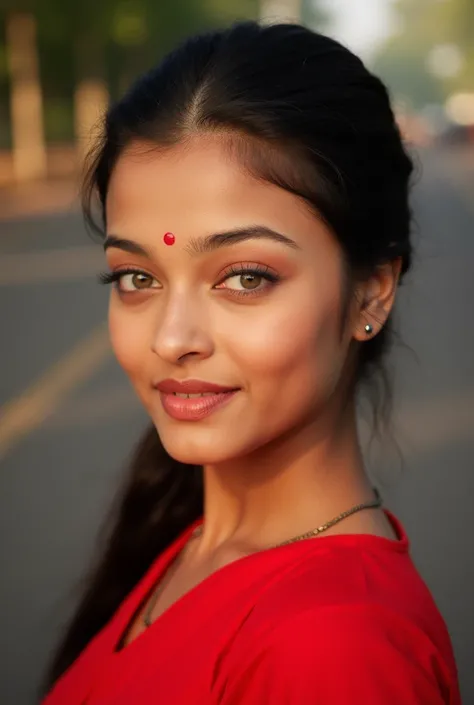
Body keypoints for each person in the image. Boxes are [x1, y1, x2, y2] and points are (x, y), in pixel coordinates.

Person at [41, 20, 461, 705]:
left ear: (372, 289)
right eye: (137, 278)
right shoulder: (190, 541)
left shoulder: (333, 649)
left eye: (244, 276)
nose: (171, 339)